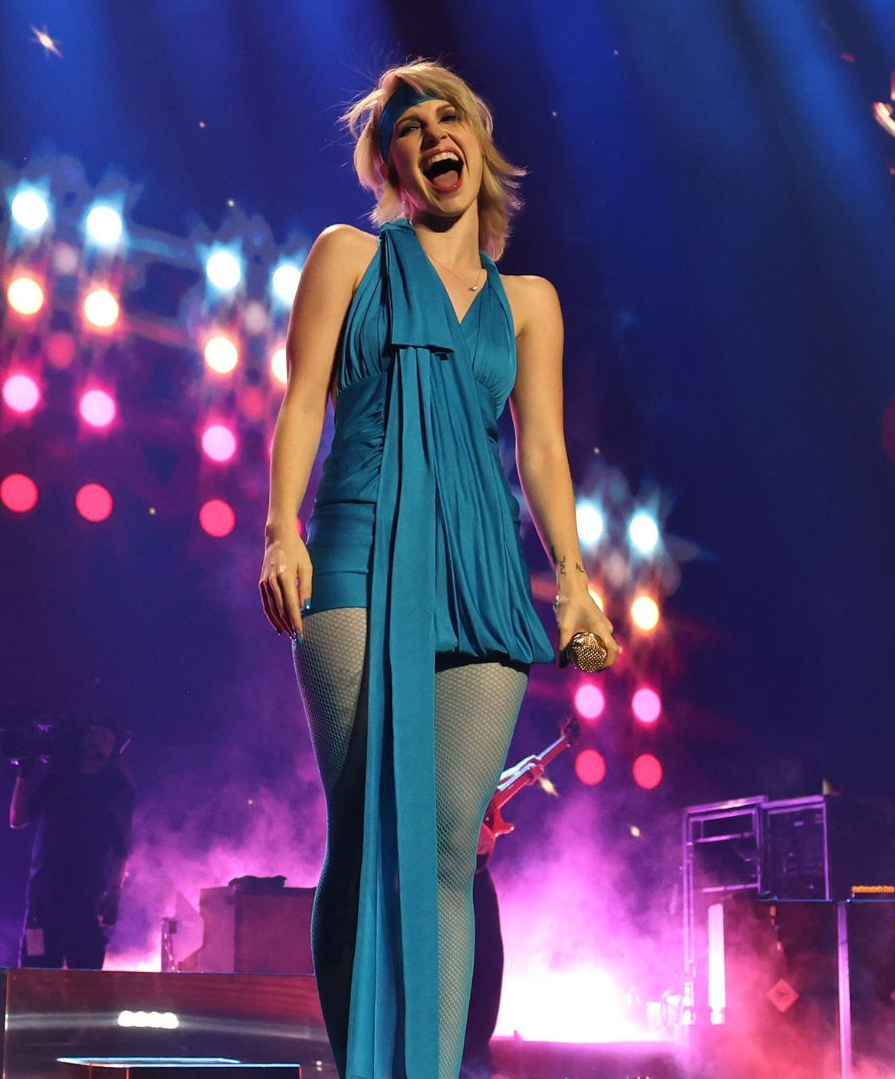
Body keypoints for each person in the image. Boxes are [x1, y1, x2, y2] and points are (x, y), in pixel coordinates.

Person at [259, 60, 614, 1079]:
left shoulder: (531, 304)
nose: (431, 135)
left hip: (480, 569)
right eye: (407, 129)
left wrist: (575, 580)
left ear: (479, 144)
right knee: (366, 829)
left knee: (454, 847)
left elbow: (542, 450)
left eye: (447, 117)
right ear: (390, 167)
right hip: (357, 549)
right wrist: (280, 531)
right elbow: (302, 400)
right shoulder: (348, 257)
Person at [9, 719, 134, 970]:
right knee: (35, 979)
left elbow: (121, 851)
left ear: (114, 749)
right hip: (43, 898)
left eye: (104, 735)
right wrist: (24, 772)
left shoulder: (115, 791)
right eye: (92, 732)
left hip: (85, 900)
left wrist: (113, 896)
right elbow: (17, 819)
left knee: (85, 981)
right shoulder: (58, 780)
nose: (96, 738)